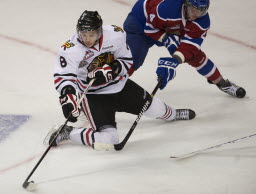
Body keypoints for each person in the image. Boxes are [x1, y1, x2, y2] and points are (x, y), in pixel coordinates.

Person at [48, 10, 196, 149]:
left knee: (158, 109)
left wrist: (111, 70)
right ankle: (68, 132)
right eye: (84, 34)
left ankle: (174, 114)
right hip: (94, 96)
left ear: (99, 31)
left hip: (120, 85)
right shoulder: (70, 49)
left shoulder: (115, 34)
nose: (87, 39)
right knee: (109, 140)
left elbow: (126, 60)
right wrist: (68, 95)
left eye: (92, 34)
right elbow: (64, 77)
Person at [123, 0, 246, 98]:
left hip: (169, 27)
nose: (195, 15)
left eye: (201, 12)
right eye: (193, 10)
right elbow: (150, 29)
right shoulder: (166, 8)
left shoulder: (202, 22)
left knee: (195, 56)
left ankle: (221, 83)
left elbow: (190, 47)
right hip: (140, 24)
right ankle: (114, 85)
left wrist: (175, 59)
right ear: (185, 4)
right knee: (134, 59)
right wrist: (166, 39)